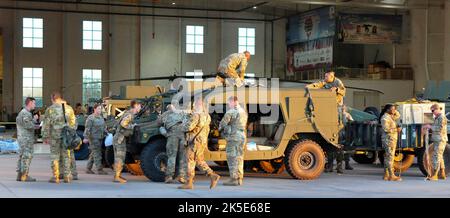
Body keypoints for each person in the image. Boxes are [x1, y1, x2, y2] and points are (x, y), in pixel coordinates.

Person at [178, 99, 220, 189]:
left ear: (195, 105)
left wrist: (181, 124)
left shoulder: (195, 116)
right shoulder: (207, 116)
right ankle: (211, 175)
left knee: (190, 161)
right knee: (199, 160)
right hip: (202, 142)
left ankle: (189, 183)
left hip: (194, 142)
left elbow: (187, 127)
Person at [42, 92, 77, 183]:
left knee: (55, 156)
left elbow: (46, 124)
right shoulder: (69, 109)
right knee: (66, 155)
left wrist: (45, 137)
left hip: (55, 137)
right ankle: (67, 176)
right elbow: (74, 123)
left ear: (53, 99)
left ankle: (55, 176)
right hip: (66, 137)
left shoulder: (50, 109)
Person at [219, 96, 248, 186]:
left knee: (231, 157)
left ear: (233, 102)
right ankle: (239, 178)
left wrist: (221, 130)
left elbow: (223, 124)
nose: (229, 105)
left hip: (233, 137)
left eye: (229, 103)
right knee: (239, 157)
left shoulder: (231, 112)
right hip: (242, 136)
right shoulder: (243, 112)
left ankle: (233, 179)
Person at [112, 100, 141, 183]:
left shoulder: (127, 113)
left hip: (118, 138)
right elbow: (123, 124)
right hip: (120, 139)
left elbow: (117, 124)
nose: (140, 108)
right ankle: (117, 177)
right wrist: (133, 126)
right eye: (139, 106)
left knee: (118, 157)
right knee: (119, 158)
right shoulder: (129, 114)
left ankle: (117, 175)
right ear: (136, 106)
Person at [157, 104, 187, 184]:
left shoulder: (165, 114)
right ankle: (182, 177)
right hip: (182, 136)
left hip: (172, 136)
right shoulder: (182, 112)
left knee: (171, 157)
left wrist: (165, 133)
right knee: (183, 158)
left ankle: (169, 177)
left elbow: (158, 123)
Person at [16, 97, 39, 182]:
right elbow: (28, 125)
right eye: (34, 103)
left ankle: (19, 175)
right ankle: (24, 175)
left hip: (22, 138)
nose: (35, 105)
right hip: (26, 139)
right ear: (29, 103)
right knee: (27, 156)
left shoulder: (22, 112)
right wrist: (35, 122)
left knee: (22, 156)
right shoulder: (26, 113)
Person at [325, 105, 354, 174]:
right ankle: (330, 166)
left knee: (340, 152)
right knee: (331, 151)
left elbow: (350, 122)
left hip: (341, 135)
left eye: (343, 108)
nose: (341, 109)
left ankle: (339, 167)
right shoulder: (332, 114)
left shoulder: (346, 115)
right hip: (333, 134)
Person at [423, 104, 448, 181]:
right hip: (437, 139)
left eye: (433, 110)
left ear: (437, 109)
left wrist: (430, 127)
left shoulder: (442, 118)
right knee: (439, 156)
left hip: (440, 139)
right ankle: (442, 173)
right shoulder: (437, 118)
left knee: (436, 156)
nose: (432, 112)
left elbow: (440, 128)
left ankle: (434, 175)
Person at [84, 103, 108, 175]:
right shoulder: (91, 118)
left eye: (101, 109)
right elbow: (87, 128)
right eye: (98, 109)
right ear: (94, 109)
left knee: (93, 153)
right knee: (97, 153)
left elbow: (103, 127)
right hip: (93, 138)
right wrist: (86, 137)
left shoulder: (101, 118)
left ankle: (88, 168)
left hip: (100, 138)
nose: (100, 110)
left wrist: (106, 133)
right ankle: (99, 169)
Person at [380, 104, 402, 181]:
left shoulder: (391, 117)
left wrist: (394, 110)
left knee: (387, 157)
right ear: (387, 110)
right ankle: (391, 175)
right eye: (392, 109)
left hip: (391, 139)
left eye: (394, 109)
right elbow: (386, 129)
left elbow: (398, 115)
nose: (393, 111)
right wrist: (396, 130)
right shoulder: (385, 118)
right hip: (389, 140)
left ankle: (386, 174)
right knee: (390, 158)